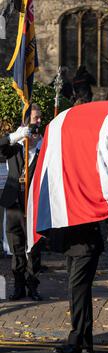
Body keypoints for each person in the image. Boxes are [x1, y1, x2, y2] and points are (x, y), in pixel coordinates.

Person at [0, 104, 43, 301]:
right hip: (14, 204)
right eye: (35, 119)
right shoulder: (16, 147)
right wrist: (13, 137)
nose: (38, 123)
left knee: (33, 248)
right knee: (16, 248)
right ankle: (18, 286)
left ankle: (32, 286)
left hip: (34, 204)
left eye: (40, 119)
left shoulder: (45, 148)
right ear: (25, 124)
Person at [55, 222, 104, 353]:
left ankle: (76, 341)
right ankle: (85, 341)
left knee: (76, 293)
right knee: (81, 294)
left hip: (85, 246)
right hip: (73, 245)